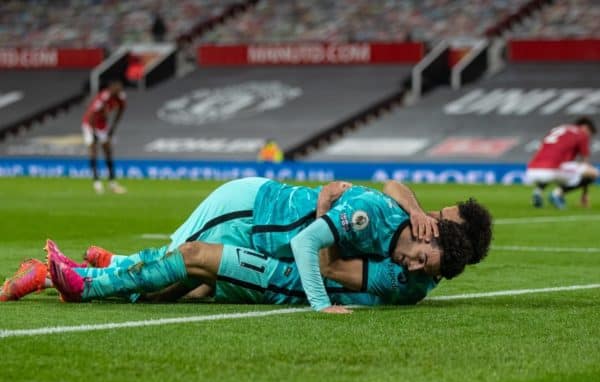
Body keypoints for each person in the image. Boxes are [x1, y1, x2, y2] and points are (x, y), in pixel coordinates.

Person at [1, 180, 492, 307]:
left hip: (265, 230)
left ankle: (74, 274)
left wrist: (326, 216)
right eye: (431, 216)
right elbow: (393, 191)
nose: (427, 219)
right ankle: (76, 275)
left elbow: (330, 266)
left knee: (185, 270)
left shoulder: (410, 278)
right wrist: (409, 207)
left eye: (437, 221)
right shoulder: (403, 223)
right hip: (260, 216)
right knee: (180, 266)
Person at [48, 218, 470, 309]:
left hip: (285, 282)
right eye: (420, 259)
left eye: (423, 266)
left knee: (193, 256)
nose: (415, 265)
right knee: (189, 270)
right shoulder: (417, 265)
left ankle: (85, 284)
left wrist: (331, 220)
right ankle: (86, 277)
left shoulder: (399, 278)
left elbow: (330, 268)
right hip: (284, 272)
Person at [525, 117, 598, 209]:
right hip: (552, 169)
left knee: (556, 166)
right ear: (586, 127)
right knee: (593, 173)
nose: (588, 137)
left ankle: (537, 192)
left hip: (532, 169)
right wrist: (584, 194)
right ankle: (557, 194)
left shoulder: (558, 129)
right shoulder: (581, 133)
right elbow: (585, 163)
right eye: (590, 134)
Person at [82, 80, 127, 194]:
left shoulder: (120, 97)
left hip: (102, 125)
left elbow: (121, 110)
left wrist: (113, 128)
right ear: (111, 88)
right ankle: (96, 183)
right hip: (89, 124)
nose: (119, 91)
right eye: (117, 89)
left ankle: (112, 183)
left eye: (120, 89)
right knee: (93, 151)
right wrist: (93, 134)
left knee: (108, 151)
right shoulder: (103, 97)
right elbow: (91, 115)